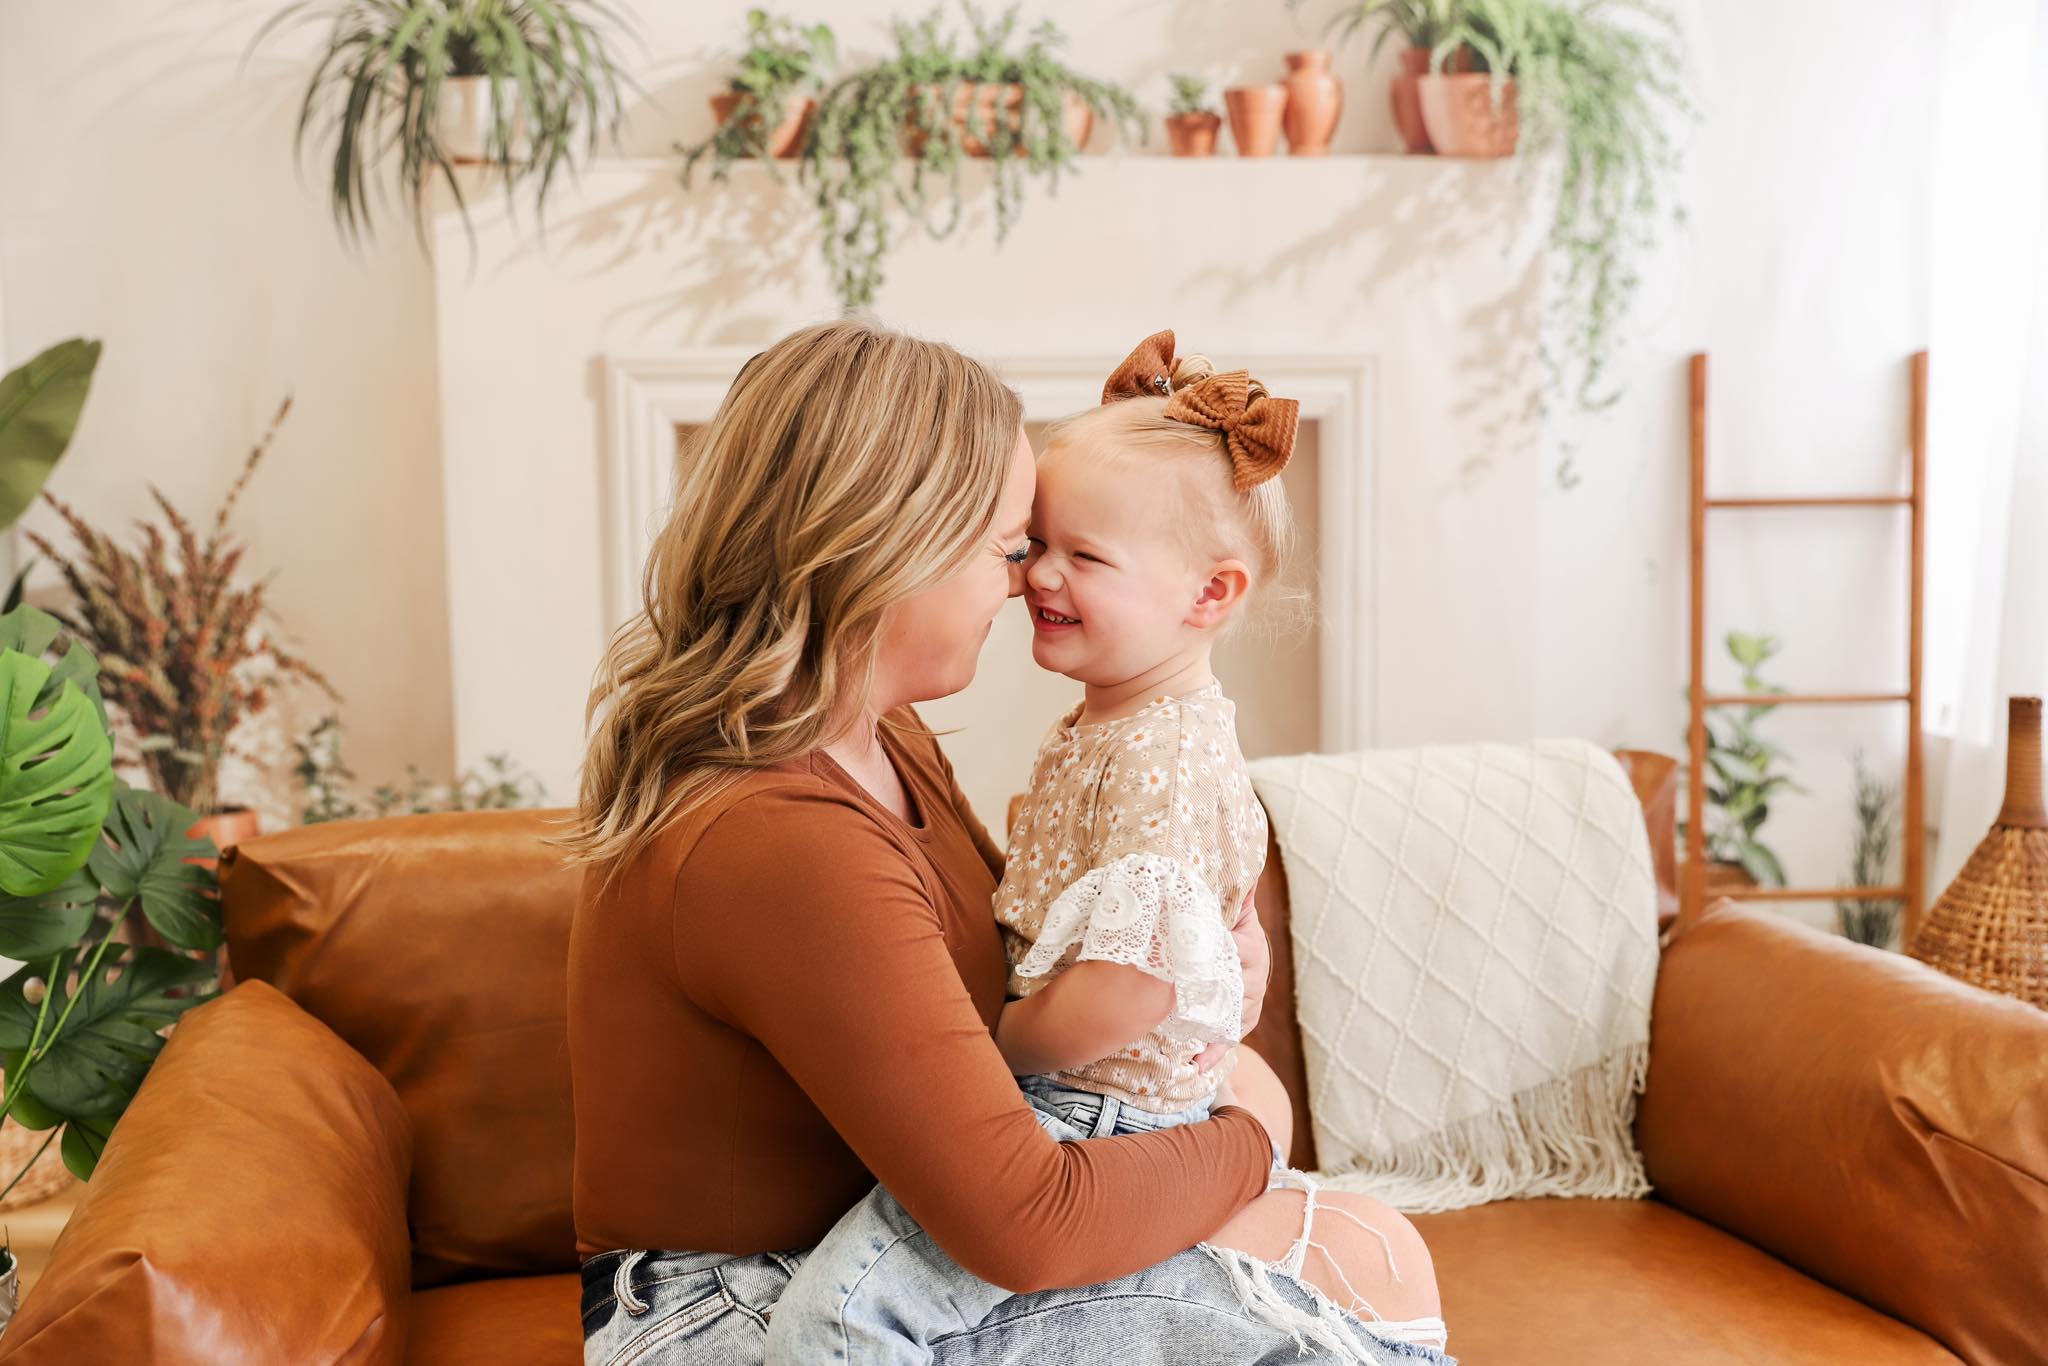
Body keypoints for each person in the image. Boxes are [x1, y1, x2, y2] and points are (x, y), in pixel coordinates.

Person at [565, 318, 1448, 1365]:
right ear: (884, 547)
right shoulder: (777, 837)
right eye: (1009, 545)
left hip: (877, 1244)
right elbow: (1026, 1218)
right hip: (735, 1310)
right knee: (1364, 1260)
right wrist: (1252, 1131)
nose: (1025, 580)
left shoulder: (879, 736)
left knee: (1366, 1249)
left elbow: (982, 989)